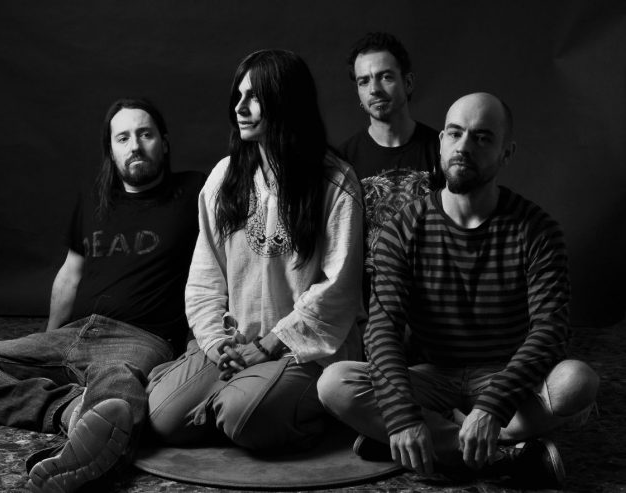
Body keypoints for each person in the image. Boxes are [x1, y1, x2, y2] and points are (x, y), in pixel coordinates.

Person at [317, 92, 599, 488]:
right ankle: (507, 455)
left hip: (507, 375)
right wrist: (403, 416)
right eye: (455, 133)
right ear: (441, 143)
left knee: (577, 381)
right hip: (433, 377)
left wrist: (492, 407)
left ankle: (429, 442)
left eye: (482, 137)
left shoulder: (537, 229)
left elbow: (550, 332)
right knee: (335, 384)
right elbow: (383, 329)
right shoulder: (403, 227)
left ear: (506, 152)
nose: (464, 146)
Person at [0, 98, 204, 492]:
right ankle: (69, 409)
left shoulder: (196, 192)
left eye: (145, 134)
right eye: (123, 137)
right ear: (111, 150)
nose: (135, 145)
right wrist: (47, 340)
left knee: (118, 389)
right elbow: (69, 275)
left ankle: (87, 448)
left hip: (141, 337)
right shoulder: (93, 200)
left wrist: (202, 337)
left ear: (165, 142)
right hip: (74, 333)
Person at [146, 49, 365, 452]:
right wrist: (217, 345)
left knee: (241, 414)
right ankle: (238, 398)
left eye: (255, 97)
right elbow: (205, 280)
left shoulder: (335, 182)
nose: (240, 108)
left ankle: (266, 405)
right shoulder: (225, 177)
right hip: (238, 342)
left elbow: (337, 289)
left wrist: (268, 346)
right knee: (163, 417)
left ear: (287, 102)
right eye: (239, 95)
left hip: (303, 351)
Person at [339, 31, 441, 184]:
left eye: (386, 77)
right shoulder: (343, 161)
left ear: (408, 83)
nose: (374, 89)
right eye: (364, 82)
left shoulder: (441, 150)